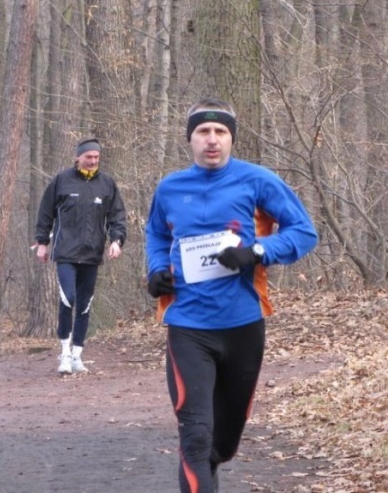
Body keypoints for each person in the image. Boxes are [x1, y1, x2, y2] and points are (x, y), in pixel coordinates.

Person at [145, 98, 318, 493]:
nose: (212, 140)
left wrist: (256, 252)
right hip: (188, 326)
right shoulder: (170, 187)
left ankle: (212, 465)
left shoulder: (257, 181)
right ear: (190, 139)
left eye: (220, 132)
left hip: (242, 325)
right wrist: (155, 270)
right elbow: (156, 233)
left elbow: (304, 232)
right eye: (203, 132)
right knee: (195, 437)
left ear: (231, 138)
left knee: (221, 445)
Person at [34, 138, 127, 375]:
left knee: (85, 304)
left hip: (92, 254)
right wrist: (42, 242)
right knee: (68, 298)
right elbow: (45, 213)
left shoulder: (106, 184)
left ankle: (77, 354)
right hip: (65, 252)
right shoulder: (62, 181)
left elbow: (117, 216)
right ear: (78, 158)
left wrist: (116, 241)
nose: (93, 161)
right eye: (88, 157)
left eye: (96, 157)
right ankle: (64, 353)